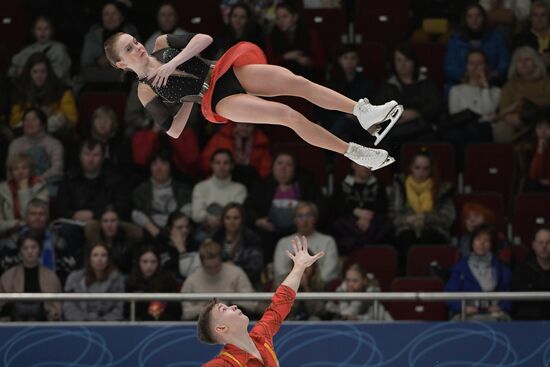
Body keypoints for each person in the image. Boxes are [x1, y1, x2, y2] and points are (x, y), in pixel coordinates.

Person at [103, 30, 404, 171]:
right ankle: (354, 152)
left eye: (134, 42)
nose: (138, 47)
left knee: (297, 82)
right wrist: (184, 99)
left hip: (224, 70)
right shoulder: (144, 91)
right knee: (289, 116)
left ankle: (363, 113)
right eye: (129, 49)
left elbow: (205, 39)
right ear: (121, 64)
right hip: (217, 99)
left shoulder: (161, 44)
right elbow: (173, 131)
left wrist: (171, 64)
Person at [198, 235, 324, 366]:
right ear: (221, 328)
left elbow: (279, 305)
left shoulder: (261, 337)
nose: (233, 306)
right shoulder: (220, 364)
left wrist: (299, 268)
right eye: (224, 309)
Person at [0, 199, 79, 284]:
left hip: (52, 288)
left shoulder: (58, 241)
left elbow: (69, 268)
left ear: (47, 217)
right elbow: (5, 266)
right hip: (19, 287)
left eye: (41, 214)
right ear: (26, 217)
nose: (37, 218)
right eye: (33, 214)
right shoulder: (14, 240)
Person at [444, 224, 512, 321]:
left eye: (486, 240)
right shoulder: (460, 269)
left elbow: (508, 294)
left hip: (494, 316)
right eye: (478, 239)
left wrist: (501, 307)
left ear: (492, 244)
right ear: (472, 243)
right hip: (467, 316)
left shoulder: (502, 269)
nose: (482, 243)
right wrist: (463, 308)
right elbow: (449, 294)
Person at [181, 239, 256, 321]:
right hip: (202, 324)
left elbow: (251, 304)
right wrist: (204, 308)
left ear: (221, 260)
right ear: (202, 263)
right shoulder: (191, 280)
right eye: (209, 267)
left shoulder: (236, 273)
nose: (213, 270)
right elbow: (186, 313)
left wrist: (228, 304)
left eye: (216, 266)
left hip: (233, 322)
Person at [273, 202, 339, 286]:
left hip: (320, 291)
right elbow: (280, 272)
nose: (305, 220)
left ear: (315, 218)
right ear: (294, 220)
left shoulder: (328, 241)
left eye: (309, 215)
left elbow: (330, 272)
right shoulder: (283, 243)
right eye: (300, 216)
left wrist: (312, 284)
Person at [0, 231, 62, 321]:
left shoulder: (51, 276)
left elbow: (56, 307)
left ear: (40, 249)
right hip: (13, 326)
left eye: (33, 247)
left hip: (43, 325)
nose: (30, 251)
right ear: (20, 251)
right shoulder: (8, 276)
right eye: (25, 248)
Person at [444, 3, 510, 86]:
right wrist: (464, 78)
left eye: (478, 16)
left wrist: (492, 76)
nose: (474, 19)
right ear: (465, 19)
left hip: (490, 81)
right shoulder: (455, 39)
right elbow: (450, 67)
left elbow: (504, 63)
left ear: (483, 18)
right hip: (462, 82)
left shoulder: (496, 37)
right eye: (470, 16)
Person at [493, 46, 550, 142]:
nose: (523, 63)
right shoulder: (510, 85)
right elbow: (504, 108)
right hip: (517, 119)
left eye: (527, 60)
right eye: (519, 61)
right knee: (501, 129)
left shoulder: (546, 81)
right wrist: (508, 117)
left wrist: (523, 102)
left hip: (544, 118)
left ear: (536, 63)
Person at [9, 52, 78, 132]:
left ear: (48, 72)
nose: (39, 76)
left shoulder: (62, 90)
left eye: (43, 71)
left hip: (54, 132)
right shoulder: (20, 91)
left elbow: (72, 119)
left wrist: (52, 112)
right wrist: (35, 114)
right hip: (26, 133)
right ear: (29, 73)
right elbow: (13, 121)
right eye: (35, 72)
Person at [132, 150, 192, 238]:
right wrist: (155, 232)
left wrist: (176, 229)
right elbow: (136, 213)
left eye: (163, 163)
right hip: (152, 233)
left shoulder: (182, 189)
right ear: (150, 168)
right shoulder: (141, 190)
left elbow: (188, 208)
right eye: (154, 164)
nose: (159, 168)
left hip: (180, 232)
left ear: (170, 167)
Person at [7, 108, 64, 195]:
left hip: (45, 183)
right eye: (26, 120)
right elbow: (10, 169)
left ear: (43, 124)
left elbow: (57, 168)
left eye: (34, 119)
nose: (29, 123)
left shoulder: (54, 144)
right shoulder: (16, 144)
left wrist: (39, 179)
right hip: (20, 184)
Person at [192, 149, 247, 239]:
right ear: (212, 165)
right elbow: (196, 215)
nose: (222, 166)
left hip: (231, 232)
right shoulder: (200, 187)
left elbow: (236, 215)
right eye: (218, 163)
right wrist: (211, 219)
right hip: (205, 231)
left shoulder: (240, 189)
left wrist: (213, 218)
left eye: (225, 163)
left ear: (232, 166)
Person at [63, 243, 125, 321]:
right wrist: (84, 321)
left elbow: (118, 308)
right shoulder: (74, 278)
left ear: (109, 259)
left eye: (103, 255)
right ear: (89, 258)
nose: (99, 259)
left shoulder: (117, 279)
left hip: (107, 326)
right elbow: (69, 305)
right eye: (95, 255)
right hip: (79, 326)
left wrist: (102, 322)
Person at [212, 203, 264, 288]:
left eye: (236, 218)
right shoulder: (215, 238)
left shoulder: (251, 239)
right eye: (228, 218)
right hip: (219, 283)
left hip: (246, 284)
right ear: (223, 220)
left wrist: (235, 268)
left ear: (242, 220)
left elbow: (256, 268)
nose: (232, 221)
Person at [8, 15, 71, 81]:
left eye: (46, 28)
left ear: (52, 30)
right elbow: (12, 70)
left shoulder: (59, 49)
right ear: (33, 31)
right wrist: (17, 71)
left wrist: (27, 72)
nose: (42, 32)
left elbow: (60, 73)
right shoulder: (28, 50)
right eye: (39, 29)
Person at [126, 245, 181, 321]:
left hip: (164, 324)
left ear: (158, 263)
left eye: (153, 262)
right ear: (138, 262)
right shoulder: (130, 282)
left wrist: (162, 306)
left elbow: (177, 309)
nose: (149, 266)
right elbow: (126, 311)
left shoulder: (168, 281)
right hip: (137, 324)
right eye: (145, 261)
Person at [84, 206, 143, 275]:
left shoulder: (127, 243)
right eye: (105, 221)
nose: (109, 225)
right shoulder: (93, 243)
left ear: (118, 223)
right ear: (100, 224)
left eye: (113, 221)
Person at [0, 154, 48, 237]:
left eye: (24, 168)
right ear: (11, 173)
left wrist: (24, 190)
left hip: (35, 235)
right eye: (16, 169)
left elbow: (31, 218)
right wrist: (15, 224)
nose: (20, 172)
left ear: (31, 170)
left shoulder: (40, 188)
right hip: (9, 235)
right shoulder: (2, 190)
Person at [325, 263, 393, 321]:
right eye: (348, 280)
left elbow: (374, 319)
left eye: (355, 281)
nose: (350, 284)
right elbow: (343, 313)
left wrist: (357, 318)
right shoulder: (342, 292)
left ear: (364, 281)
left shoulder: (373, 296)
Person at [510, 226, 550, 320]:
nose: (544, 246)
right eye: (540, 242)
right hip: (529, 324)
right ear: (533, 245)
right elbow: (519, 304)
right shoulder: (522, 270)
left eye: (548, 242)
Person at [154, 212, 200, 282]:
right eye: (179, 227)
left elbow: (191, 272)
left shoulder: (194, 244)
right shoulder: (161, 243)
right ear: (169, 229)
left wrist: (181, 248)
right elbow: (167, 267)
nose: (185, 230)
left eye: (187, 227)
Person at [526, 117, 550, 191]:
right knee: (532, 185)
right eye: (539, 127)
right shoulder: (533, 146)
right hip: (540, 183)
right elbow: (534, 175)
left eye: (547, 128)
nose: (543, 131)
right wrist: (540, 151)